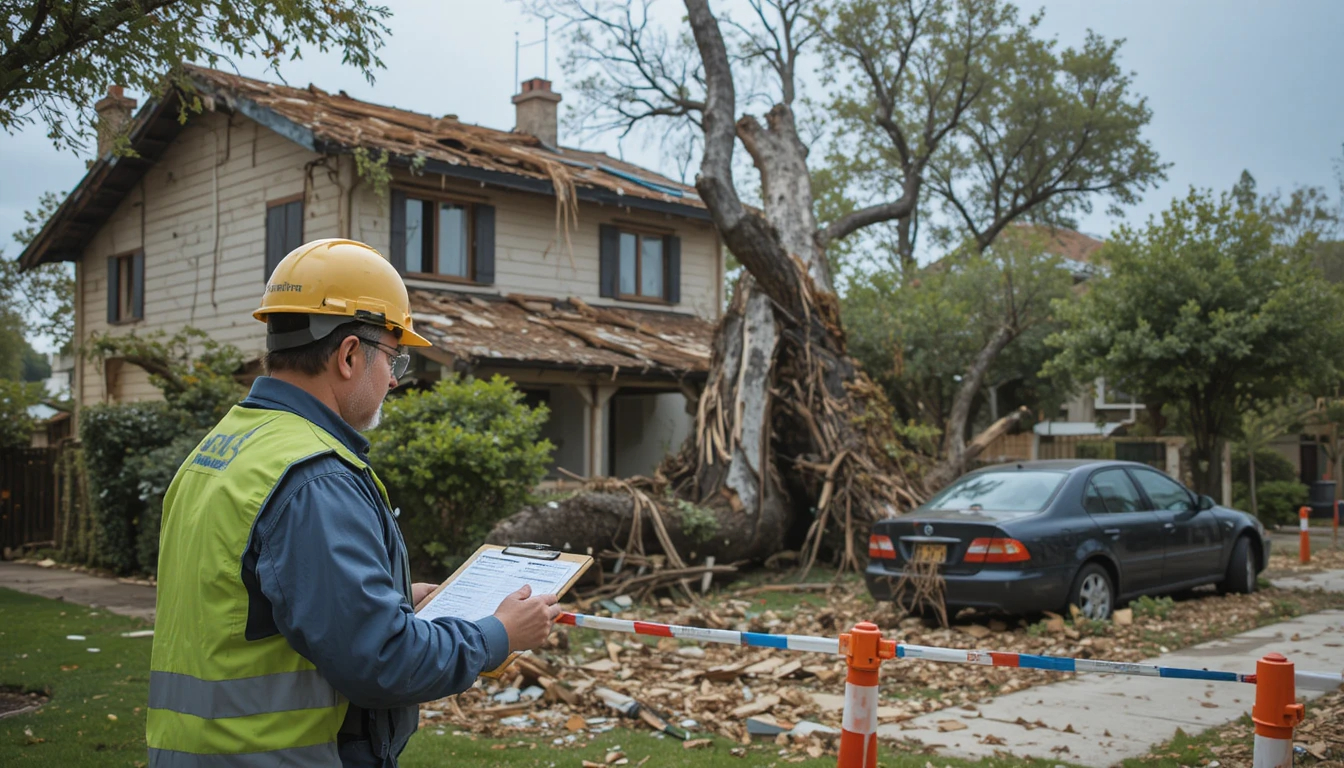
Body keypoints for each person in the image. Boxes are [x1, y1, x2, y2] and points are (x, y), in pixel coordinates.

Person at [146, 238, 561, 767]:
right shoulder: (314, 478)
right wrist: (497, 635)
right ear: (347, 355)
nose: (394, 379)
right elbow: (382, 662)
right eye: (393, 357)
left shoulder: (223, 449)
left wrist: (394, 599)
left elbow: (256, 603)